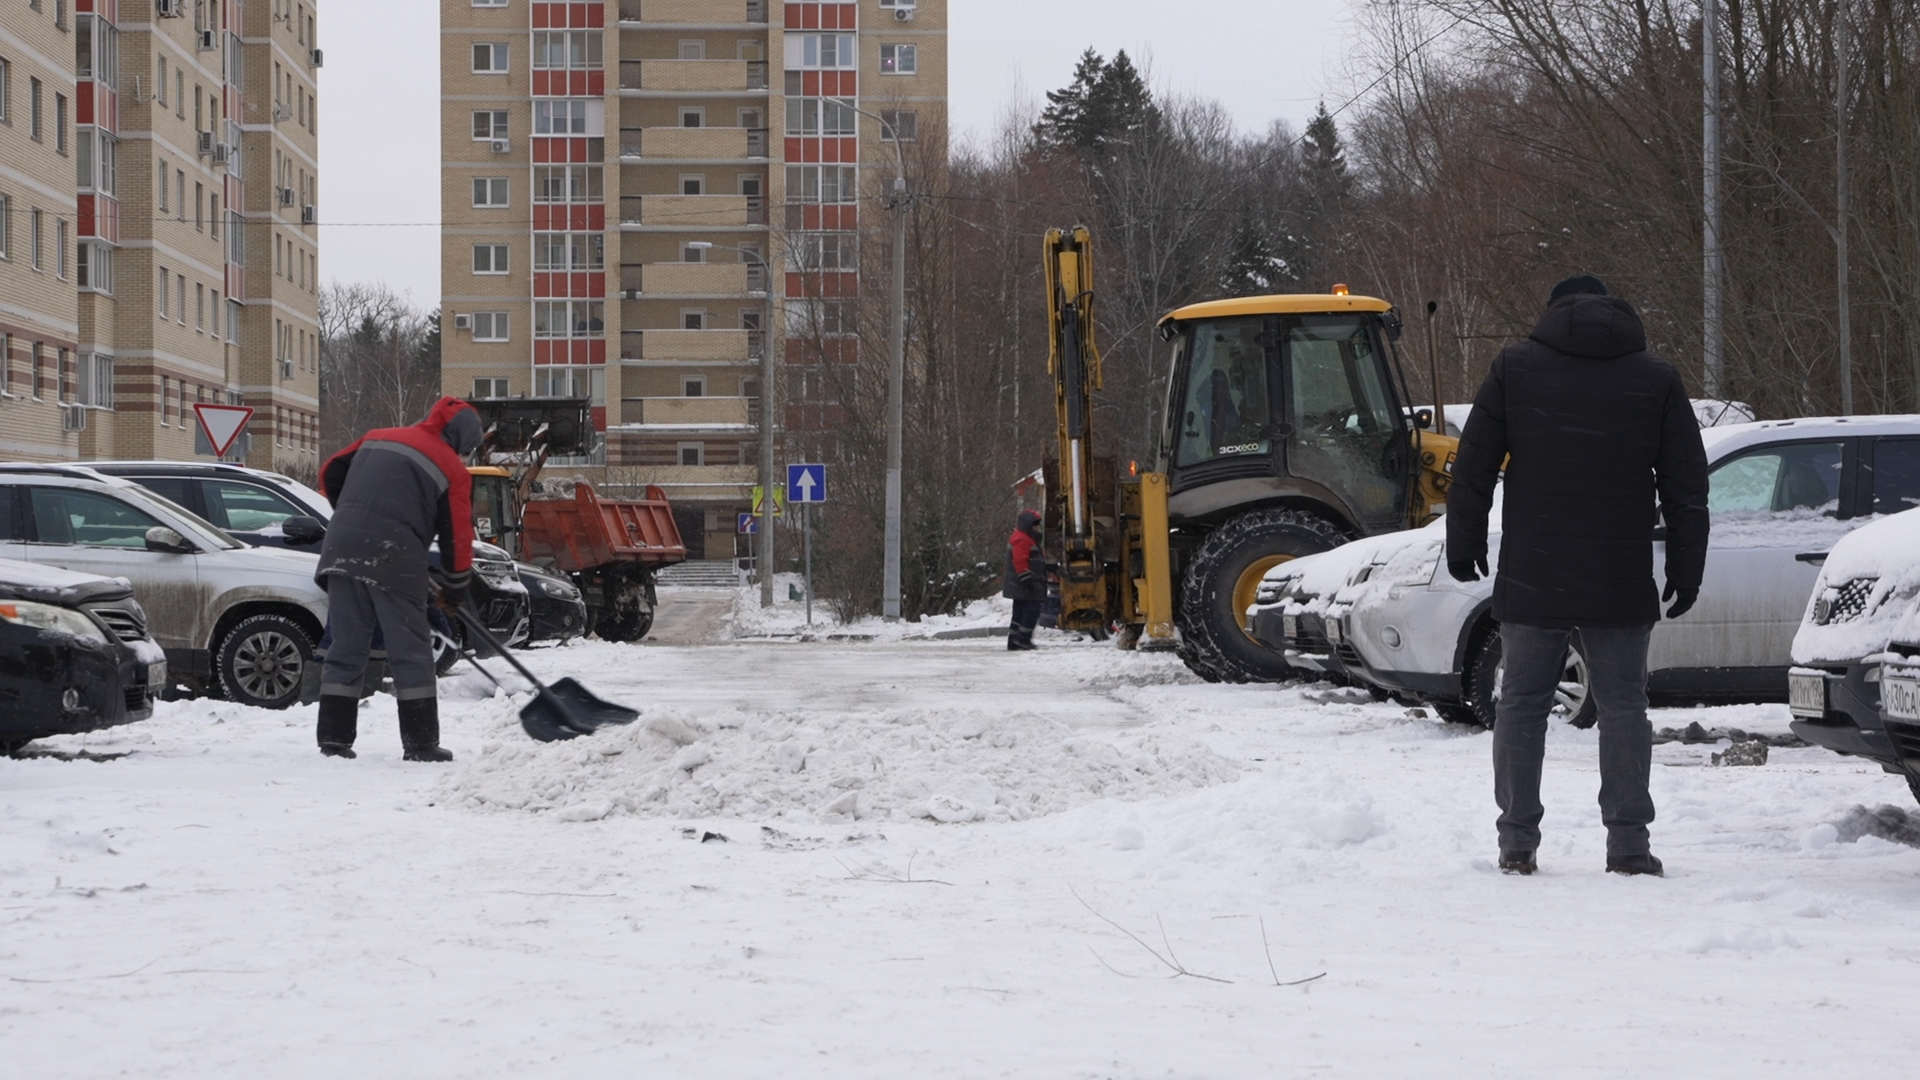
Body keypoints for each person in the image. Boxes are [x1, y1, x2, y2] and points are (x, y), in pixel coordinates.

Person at [1446, 274, 1709, 878]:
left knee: (1520, 705)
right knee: (1623, 709)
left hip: (1536, 570)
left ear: (1552, 312)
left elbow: (1474, 467)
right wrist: (1687, 567)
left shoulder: (1515, 368)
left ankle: (1516, 843)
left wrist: (1463, 544)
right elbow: (1686, 485)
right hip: (1618, 572)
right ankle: (1629, 846)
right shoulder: (1656, 378)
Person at [312, 396, 484, 761]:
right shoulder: (452, 468)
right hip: (395, 554)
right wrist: (455, 584)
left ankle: (333, 740)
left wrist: (356, 513)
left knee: (347, 645)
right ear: (464, 441)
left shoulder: (379, 436)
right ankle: (421, 744)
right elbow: (457, 534)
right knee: (410, 650)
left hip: (340, 544)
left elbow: (330, 472)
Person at [1003, 509, 1046, 651]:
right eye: (1035, 524)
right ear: (1028, 524)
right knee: (1031, 610)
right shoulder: (1023, 539)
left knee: (1019, 611)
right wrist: (1027, 580)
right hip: (1024, 582)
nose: (1037, 527)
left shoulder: (1022, 537)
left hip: (1018, 583)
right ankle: (1022, 639)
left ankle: (1014, 639)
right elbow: (1020, 562)